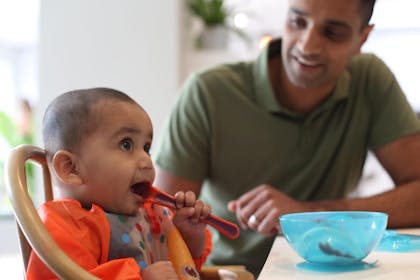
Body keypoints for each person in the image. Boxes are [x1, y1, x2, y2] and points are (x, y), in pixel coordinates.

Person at [153, 0, 420, 277]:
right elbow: (158, 224)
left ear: (362, 38)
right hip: (233, 273)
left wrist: (309, 213)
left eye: (333, 33)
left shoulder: (370, 81)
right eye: (298, 22)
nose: (307, 46)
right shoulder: (207, 93)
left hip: (334, 271)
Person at [26, 88, 212, 279]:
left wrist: (187, 237)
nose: (146, 161)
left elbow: (183, 270)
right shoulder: (63, 228)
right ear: (71, 168)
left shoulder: (151, 216)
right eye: (126, 144)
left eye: (146, 147)